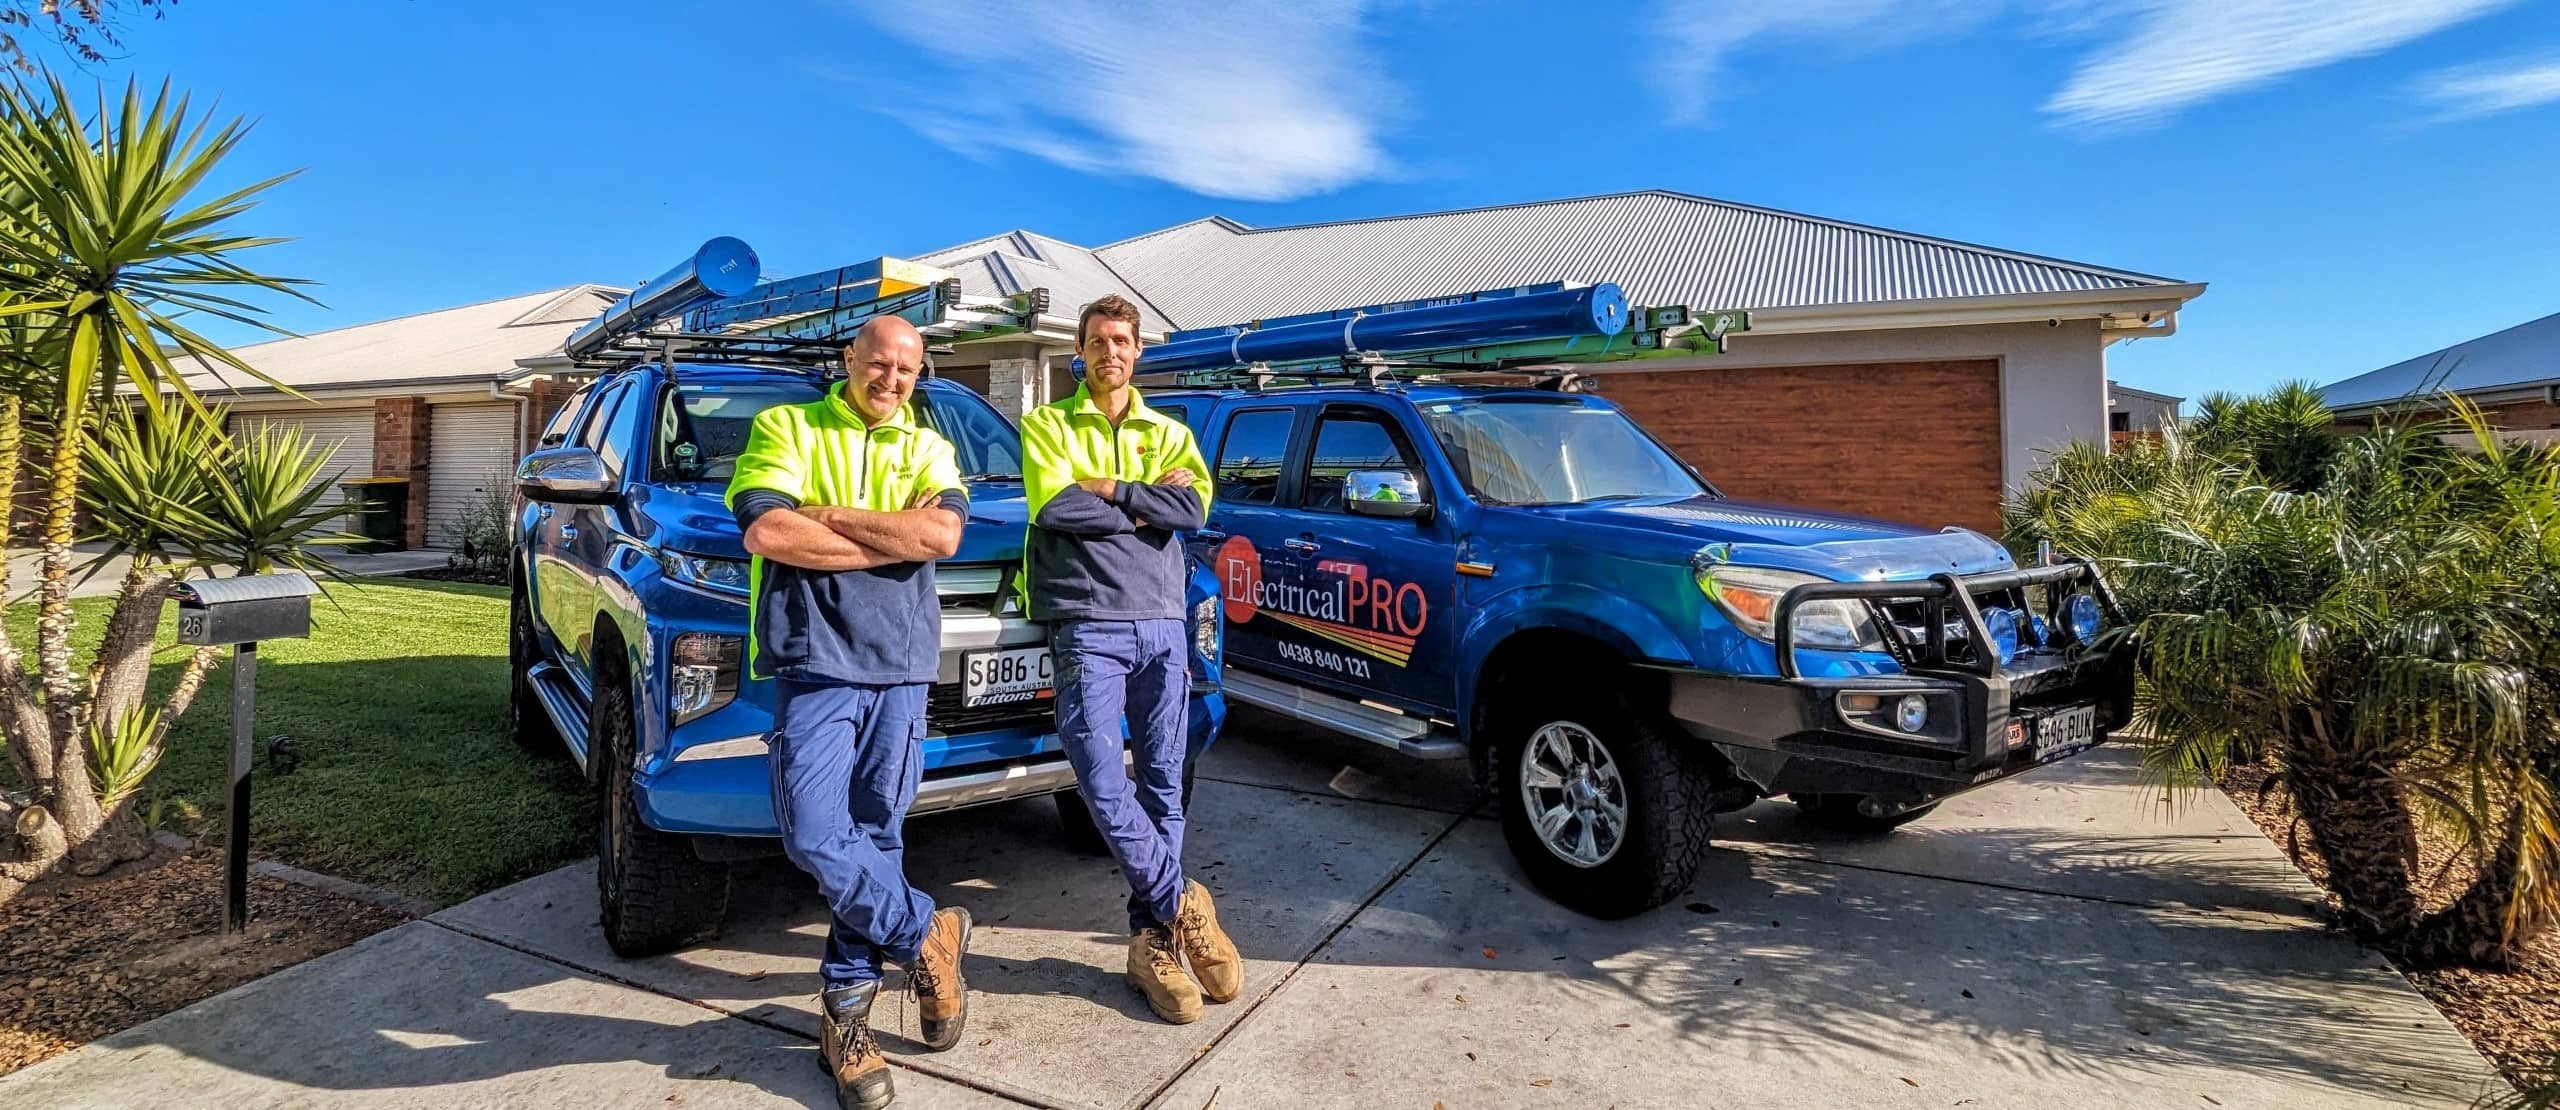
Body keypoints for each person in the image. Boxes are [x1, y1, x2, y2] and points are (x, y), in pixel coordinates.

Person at [728, 316, 973, 1110]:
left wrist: (827, 516)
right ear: (849, 360)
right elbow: (768, 528)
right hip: (815, 661)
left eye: (906, 369)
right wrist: (890, 540)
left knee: (878, 837)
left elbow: (940, 533)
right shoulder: (787, 425)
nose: (891, 380)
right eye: (878, 364)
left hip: (901, 668)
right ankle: (927, 934)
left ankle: (845, 1020)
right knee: (812, 832)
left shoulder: (930, 447)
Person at [1019, 294, 1243, 1025]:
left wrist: (1112, 489)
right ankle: (1182, 903)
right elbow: (1056, 509)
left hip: (1162, 622)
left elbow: (1193, 512)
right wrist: (1147, 505)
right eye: (1096, 341)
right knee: (1098, 773)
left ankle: (1150, 944)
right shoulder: (1048, 425)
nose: (1108, 351)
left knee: (1164, 784)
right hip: (1088, 624)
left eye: (1121, 340)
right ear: (1079, 352)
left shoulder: (1169, 431)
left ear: (1138, 349)